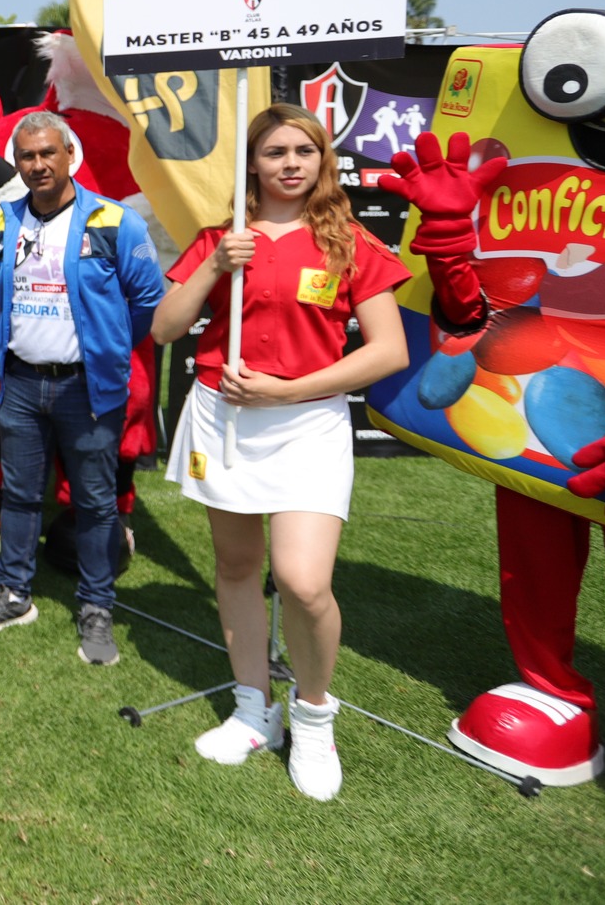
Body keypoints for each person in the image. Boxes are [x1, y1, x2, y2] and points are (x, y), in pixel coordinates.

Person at [150, 103, 410, 801]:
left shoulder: (349, 241)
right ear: (254, 165)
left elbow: (390, 349)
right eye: (275, 152)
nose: (291, 163)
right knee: (236, 565)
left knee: (302, 581)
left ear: (322, 160)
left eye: (304, 150)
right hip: (223, 417)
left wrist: (288, 390)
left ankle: (314, 717)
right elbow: (166, 325)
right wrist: (212, 266)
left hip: (306, 423)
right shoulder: (220, 236)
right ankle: (252, 706)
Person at [0, 110, 165, 667]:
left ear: (69, 154)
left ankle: (97, 607)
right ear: (17, 162)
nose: (38, 164)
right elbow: (3, 292)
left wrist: (107, 347)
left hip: (87, 388)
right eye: (27, 156)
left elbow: (147, 301)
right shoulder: (5, 222)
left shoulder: (114, 221)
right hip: (23, 383)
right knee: (21, 495)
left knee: (97, 504)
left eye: (48, 153)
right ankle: (13, 594)